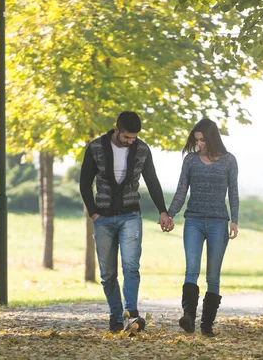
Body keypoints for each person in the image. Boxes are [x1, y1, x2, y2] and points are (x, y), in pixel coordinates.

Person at [80, 111, 172, 333]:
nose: (131, 141)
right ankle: (115, 317)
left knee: (131, 266)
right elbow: (85, 182)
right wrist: (94, 214)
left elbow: (152, 180)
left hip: (131, 215)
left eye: (134, 137)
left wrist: (163, 211)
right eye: (127, 137)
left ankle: (131, 315)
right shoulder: (95, 148)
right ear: (116, 129)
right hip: (102, 217)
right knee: (108, 273)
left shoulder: (142, 149)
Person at [167, 118, 239, 337]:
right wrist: (169, 215)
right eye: (196, 140)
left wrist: (234, 220)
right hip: (194, 221)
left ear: (212, 138)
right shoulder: (190, 160)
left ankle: (207, 325)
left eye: (202, 140)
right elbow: (181, 190)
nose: (199, 144)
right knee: (191, 269)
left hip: (218, 222)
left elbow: (233, 192)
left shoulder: (228, 160)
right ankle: (188, 317)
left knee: (213, 276)